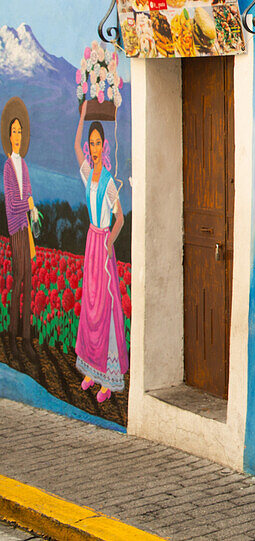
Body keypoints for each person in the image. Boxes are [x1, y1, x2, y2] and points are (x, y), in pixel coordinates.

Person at [73, 102, 127, 402]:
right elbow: (75, 149)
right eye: (91, 143)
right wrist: (82, 117)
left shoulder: (107, 181)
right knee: (90, 306)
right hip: (90, 243)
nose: (93, 148)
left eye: (97, 143)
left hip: (103, 246)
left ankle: (108, 378)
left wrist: (110, 242)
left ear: (103, 145)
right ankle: (92, 370)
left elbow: (120, 217)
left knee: (104, 307)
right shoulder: (86, 172)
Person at [2, 97, 37, 359]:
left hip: (26, 227)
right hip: (16, 228)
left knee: (28, 281)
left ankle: (26, 338)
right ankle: (13, 336)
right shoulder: (7, 167)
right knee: (19, 277)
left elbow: (29, 194)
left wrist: (33, 208)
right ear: (8, 135)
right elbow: (13, 203)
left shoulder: (23, 164)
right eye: (13, 131)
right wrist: (29, 204)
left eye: (20, 131)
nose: (17, 136)